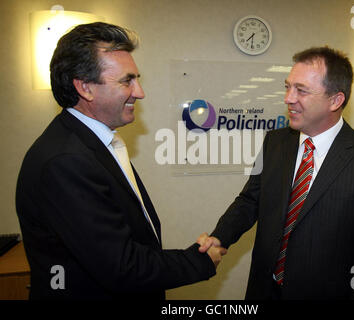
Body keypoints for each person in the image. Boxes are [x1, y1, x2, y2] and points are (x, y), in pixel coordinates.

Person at [15, 22, 226, 300]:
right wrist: (199, 261)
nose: (140, 92)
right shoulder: (66, 161)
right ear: (85, 87)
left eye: (137, 79)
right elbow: (121, 266)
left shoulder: (91, 143)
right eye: (127, 81)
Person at [198, 46, 354, 300]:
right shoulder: (275, 142)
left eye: (301, 90)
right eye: (288, 86)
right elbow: (251, 200)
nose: (288, 98)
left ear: (335, 100)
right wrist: (219, 237)